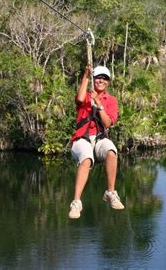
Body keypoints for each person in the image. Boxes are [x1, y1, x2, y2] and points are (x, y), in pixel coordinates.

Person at [68, 64, 124, 219]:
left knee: (112, 151)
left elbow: (107, 123)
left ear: (108, 82)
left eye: (105, 78)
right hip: (81, 139)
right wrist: (86, 75)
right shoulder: (86, 96)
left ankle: (110, 193)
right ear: (94, 79)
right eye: (98, 77)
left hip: (99, 138)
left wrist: (99, 105)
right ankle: (76, 202)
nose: (101, 80)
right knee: (86, 158)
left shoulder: (111, 100)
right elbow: (79, 99)